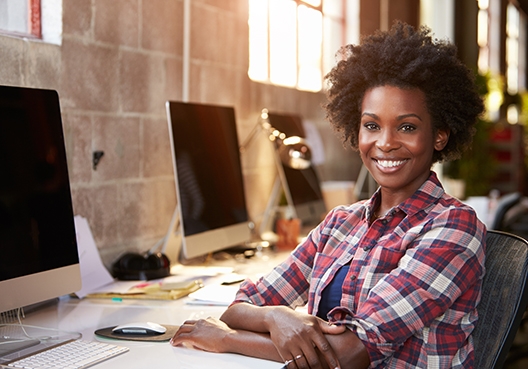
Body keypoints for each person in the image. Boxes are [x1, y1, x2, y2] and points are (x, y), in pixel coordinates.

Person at [170, 21, 486, 369]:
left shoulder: (455, 227)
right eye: (372, 125)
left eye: (407, 127)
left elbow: (348, 353)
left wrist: (227, 340)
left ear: (439, 135)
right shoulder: (341, 223)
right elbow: (243, 304)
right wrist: (278, 317)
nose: (384, 143)